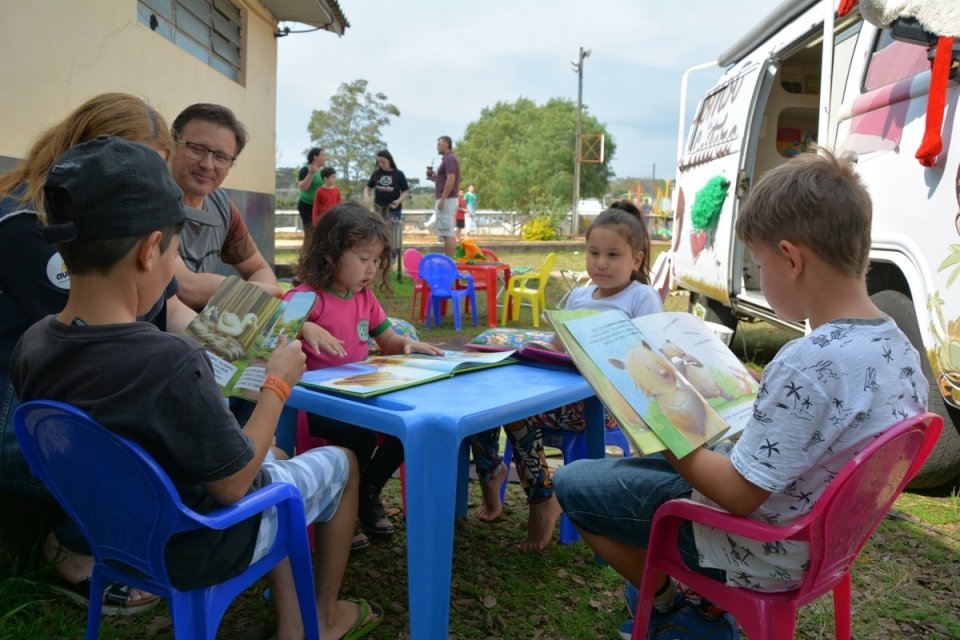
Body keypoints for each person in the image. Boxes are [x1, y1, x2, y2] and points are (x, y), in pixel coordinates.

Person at [11, 136, 383, 640]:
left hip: (112, 531)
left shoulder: (35, 344)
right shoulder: (167, 360)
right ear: (149, 251)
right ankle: (322, 614)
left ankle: (294, 621)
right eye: (176, 255)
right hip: (200, 541)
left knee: (272, 454)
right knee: (344, 464)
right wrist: (276, 382)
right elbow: (232, 484)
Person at [553, 151, 928, 639]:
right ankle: (693, 605)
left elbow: (736, 494)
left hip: (763, 544)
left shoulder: (808, 362)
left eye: (759, 262)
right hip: (825, 537)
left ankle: (676, 609)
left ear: (791, 259)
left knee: (576, 483)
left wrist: (653, 419)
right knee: (650, 467)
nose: (759, 274)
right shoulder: (896, 344)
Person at [0, 92, 197, 615]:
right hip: (21, 406)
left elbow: (173, 311)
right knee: (156, 425)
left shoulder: (116, 220)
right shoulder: (27, 224)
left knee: (216, 392)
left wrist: (244, 350)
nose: (140, 183)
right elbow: (104, 351)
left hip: (60, 386)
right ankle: (73, 546)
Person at [469, 201, 662, 551]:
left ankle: (544, 498)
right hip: (559, 396)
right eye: (593, 253)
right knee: (483, 403)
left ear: (636, 259)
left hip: (602, 406)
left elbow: (652, 357)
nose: (601, 263)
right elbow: (557, 347)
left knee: (515, 413)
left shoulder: (641, 297)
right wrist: (525, 350)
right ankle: (490, 471)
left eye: (613, 255)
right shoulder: (577, 295)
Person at [289, 203, 443, 549]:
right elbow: (273, 333)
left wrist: (407, 344)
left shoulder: (364, 298)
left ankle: (366, 490)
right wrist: (305, 327)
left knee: (412, 428)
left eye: (377, 261)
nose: (371, 269)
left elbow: (386, 339)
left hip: (359, 397)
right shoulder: (306, 298)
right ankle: (344, 509)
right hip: (318, 408)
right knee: (358, 439)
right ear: (330, 256)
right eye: (363, 258)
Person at [169, 103, 281, 311]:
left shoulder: (221, 206)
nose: (208, 164)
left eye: (221, 157)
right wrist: (259, 294)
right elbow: (186, 287)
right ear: (173, 145)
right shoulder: (151, 198)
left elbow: (259, 268)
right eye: (196, 148)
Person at [363, 150, 410, 266]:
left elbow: (406, 191)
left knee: (392, 235)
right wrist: (366, 197)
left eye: (383, 162)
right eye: (379, 162)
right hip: (379, 209)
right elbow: (367, 188)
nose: (381, 165)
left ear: (390, 161)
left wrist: (398, 201)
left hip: (394, 210)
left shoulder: (398, 174)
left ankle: (392, 259)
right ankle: (379, 256)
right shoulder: (376, 174)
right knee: (379, 233)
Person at [425, 135, 459, 257]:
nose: (437, 147)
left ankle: (450, 262)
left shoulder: (449, 159)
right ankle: (449, 261)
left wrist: (443, 199)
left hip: (447, 199)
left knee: (447, 232)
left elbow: (451, 178)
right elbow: (445, 180)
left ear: (446, 144)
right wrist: (435, 178)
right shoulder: (446, 159)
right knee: (445, 232)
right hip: (447, 198)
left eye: (439, 144)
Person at [296, 147, 326, 247]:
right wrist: (310, 174)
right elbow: (303, 188)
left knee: (320, 233)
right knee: (310, 233)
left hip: (320, 208)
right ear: (315, 157)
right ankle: (306, 255)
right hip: (307, 206)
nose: (325, 158)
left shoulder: (323, 172)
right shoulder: (305, 169)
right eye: (323, 155)